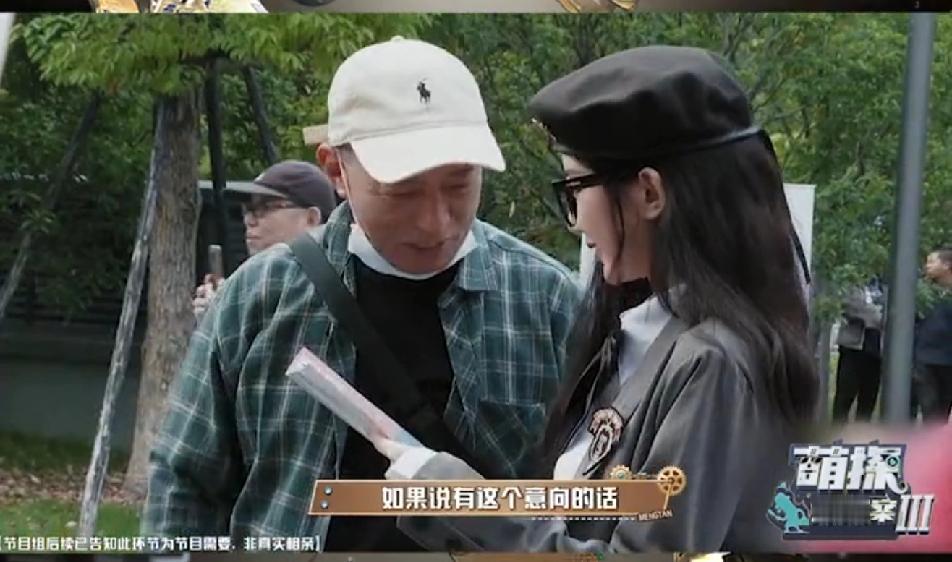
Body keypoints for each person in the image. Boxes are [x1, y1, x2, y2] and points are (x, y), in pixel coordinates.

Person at [373, 45, 819, 553]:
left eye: (575, 188)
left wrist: (461, 501)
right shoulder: (655, 335)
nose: (578, 220)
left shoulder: (713, 361)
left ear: (649, 193)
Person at [143, 36, 581, 547]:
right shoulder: (259, 297)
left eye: (459, 185)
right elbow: (184, 485)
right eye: (403, 191)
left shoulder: (547, 300)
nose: (436, 222)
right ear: (336, 170)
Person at [192, 159, 338, 319]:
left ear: (311, 219)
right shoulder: (257, 288)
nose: (249, 220)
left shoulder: (331, 290)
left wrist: (226, 314)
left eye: (265, 208)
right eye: (247, 209)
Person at [831, 278, 886, 422]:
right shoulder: (852, 280)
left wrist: (873, 315)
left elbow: (892, 313)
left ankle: (861, 434)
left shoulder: (885, 286)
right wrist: (876, 316)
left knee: (868, 402)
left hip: (876, 353)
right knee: (844, 399)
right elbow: (849, 307)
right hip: (852, 350)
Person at [914, 248, 952, 422]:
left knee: (943, 412)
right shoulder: (923, 291)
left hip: (948, 360)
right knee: (929, 410)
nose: (927, 266)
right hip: (925, 359)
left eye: (931, 262)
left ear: (946, 265)